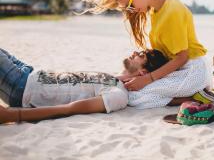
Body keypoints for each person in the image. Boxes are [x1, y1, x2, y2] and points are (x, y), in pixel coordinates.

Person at [83, 0, 211, 109]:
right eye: (127, 9)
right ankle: (192, 96)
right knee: (133, 88)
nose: (130, 11)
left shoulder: (173, 10)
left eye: (130, 5)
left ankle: (196, 96)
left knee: (134, 97)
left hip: (193, 72)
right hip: (179, 71)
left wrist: (148, 79)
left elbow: (182, 57)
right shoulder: (155, 12)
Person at [0, 48, 169, 123]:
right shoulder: (113, 78)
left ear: (143, 73)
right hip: (29, 72)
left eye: (140, 55)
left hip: (22, 87)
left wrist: (13, 116)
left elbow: (69, 109)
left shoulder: (118, 95)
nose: (134, 52)